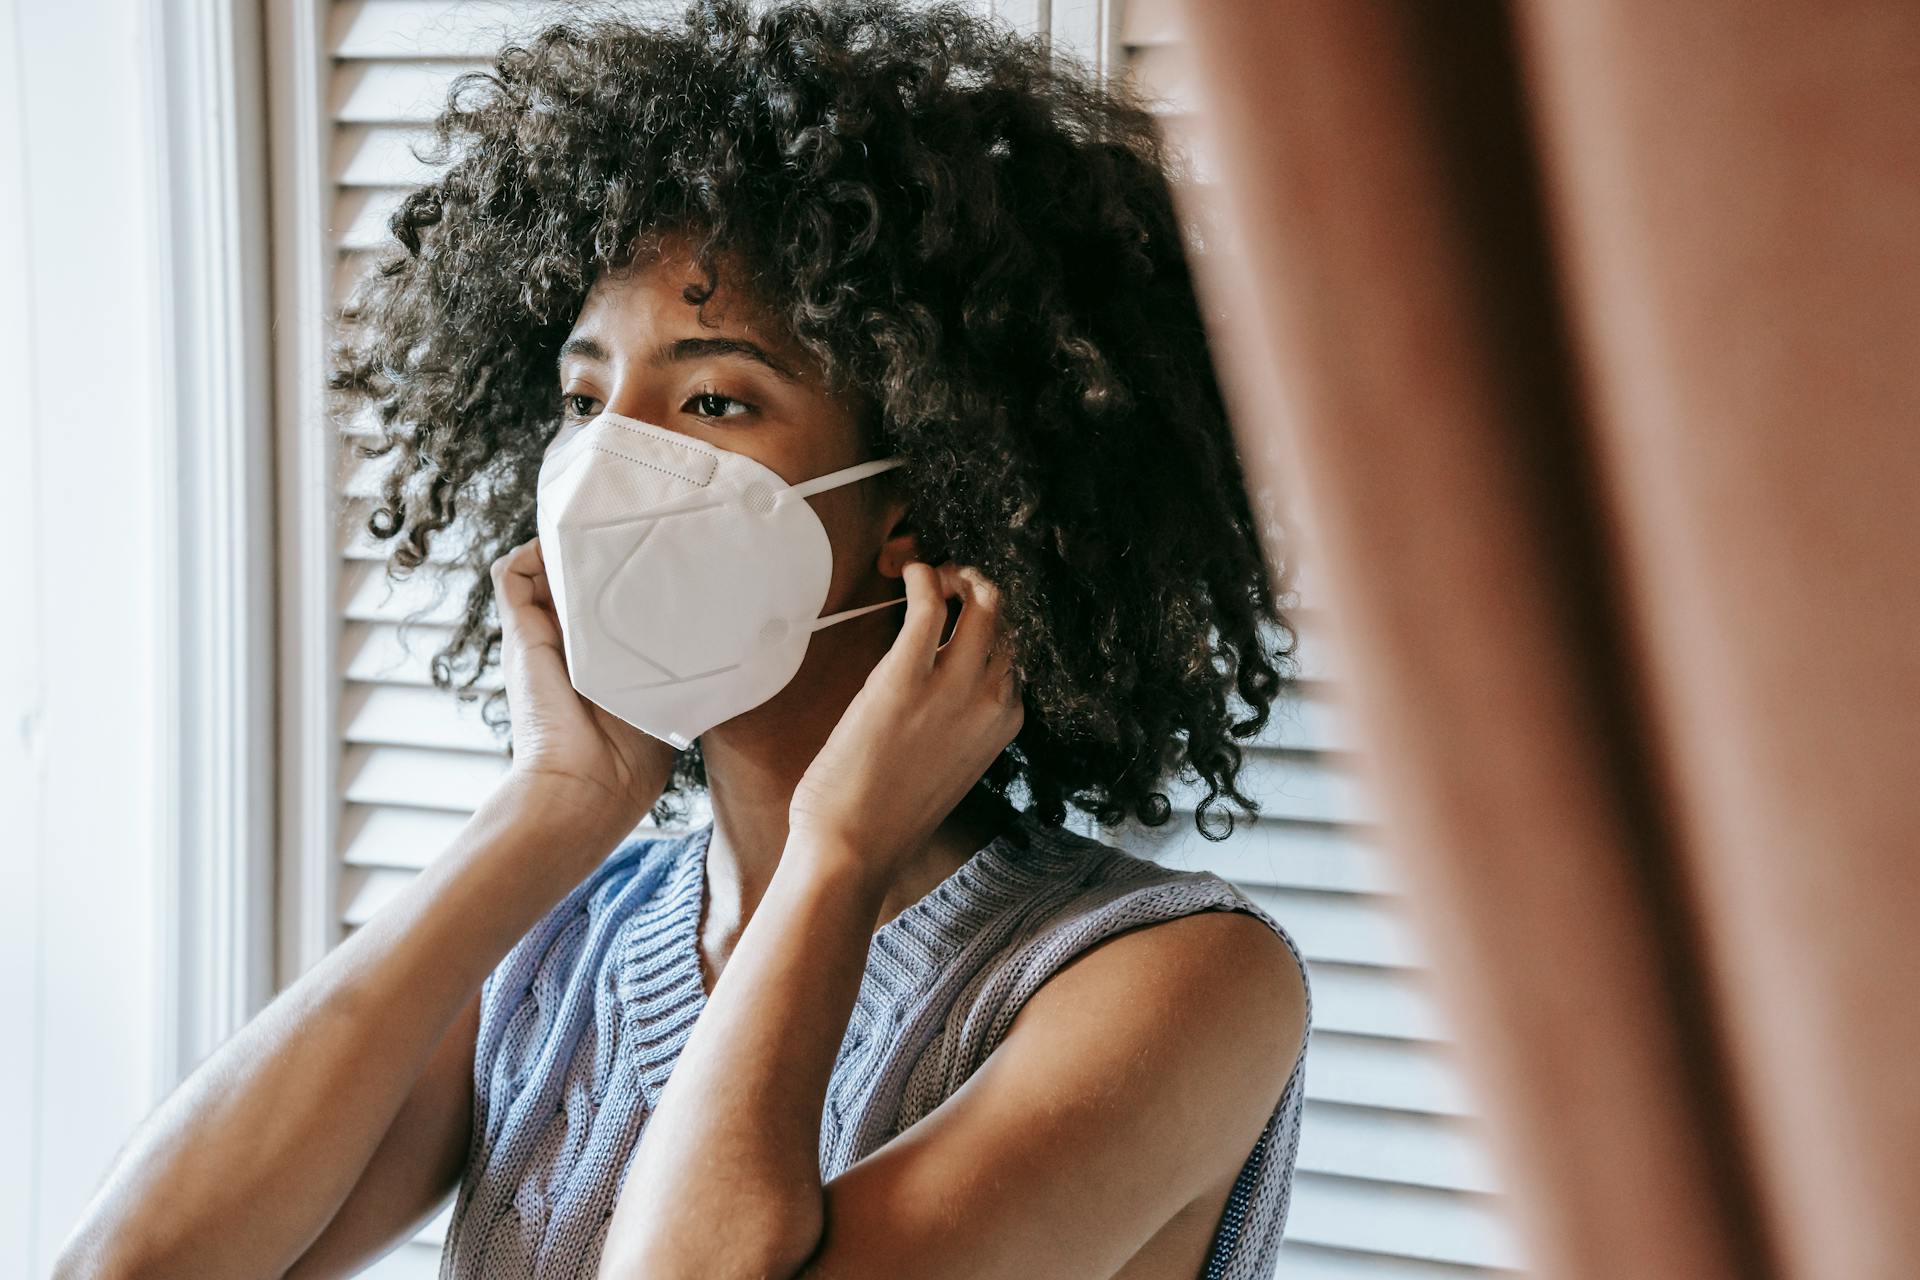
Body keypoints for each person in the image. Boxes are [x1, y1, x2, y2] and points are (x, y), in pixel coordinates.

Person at [55, 2, 1310, 1277]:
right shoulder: (560, 944)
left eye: (714, 398)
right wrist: (547, 807)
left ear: (920, 497)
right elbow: (132, 1264)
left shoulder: (1177, 978)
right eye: (584, 397)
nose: (608, 462)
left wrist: (833, 857)